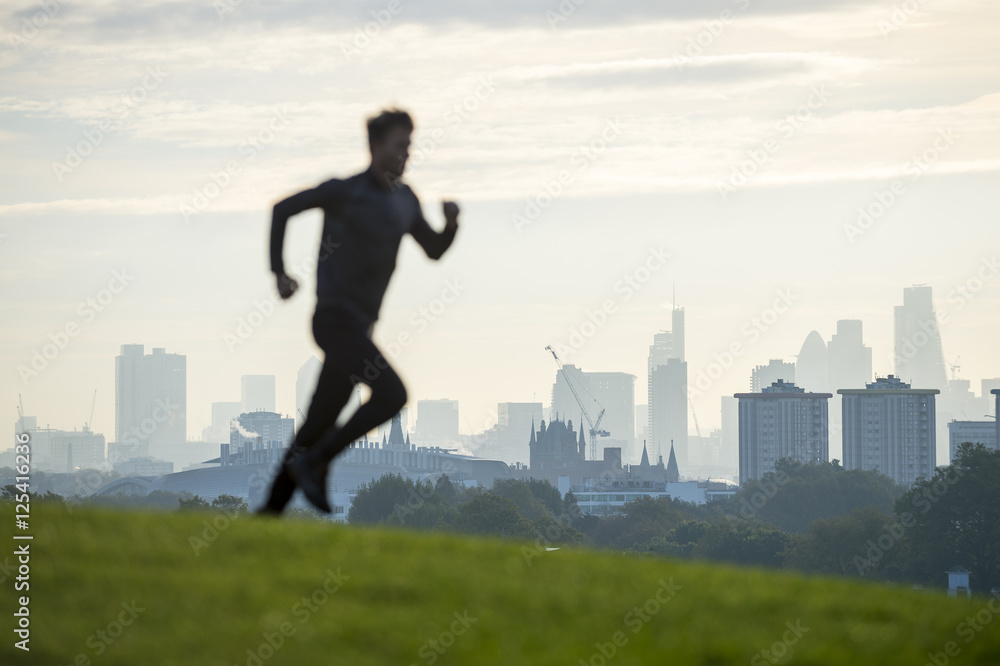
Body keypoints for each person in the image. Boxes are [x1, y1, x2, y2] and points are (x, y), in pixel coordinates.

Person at [257, 108, 459, 515]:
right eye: (399, 145)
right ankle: (317, 461)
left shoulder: (405, 201)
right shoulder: (344, 191)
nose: (406, 153)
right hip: (334, 320)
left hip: (360, 330)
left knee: (316, 425)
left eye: (410, 146)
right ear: (375, 146)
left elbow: (433, 250)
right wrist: (280, 273)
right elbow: (282, 209)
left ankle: (268, 514)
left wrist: (451, 224)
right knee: (392, 394)